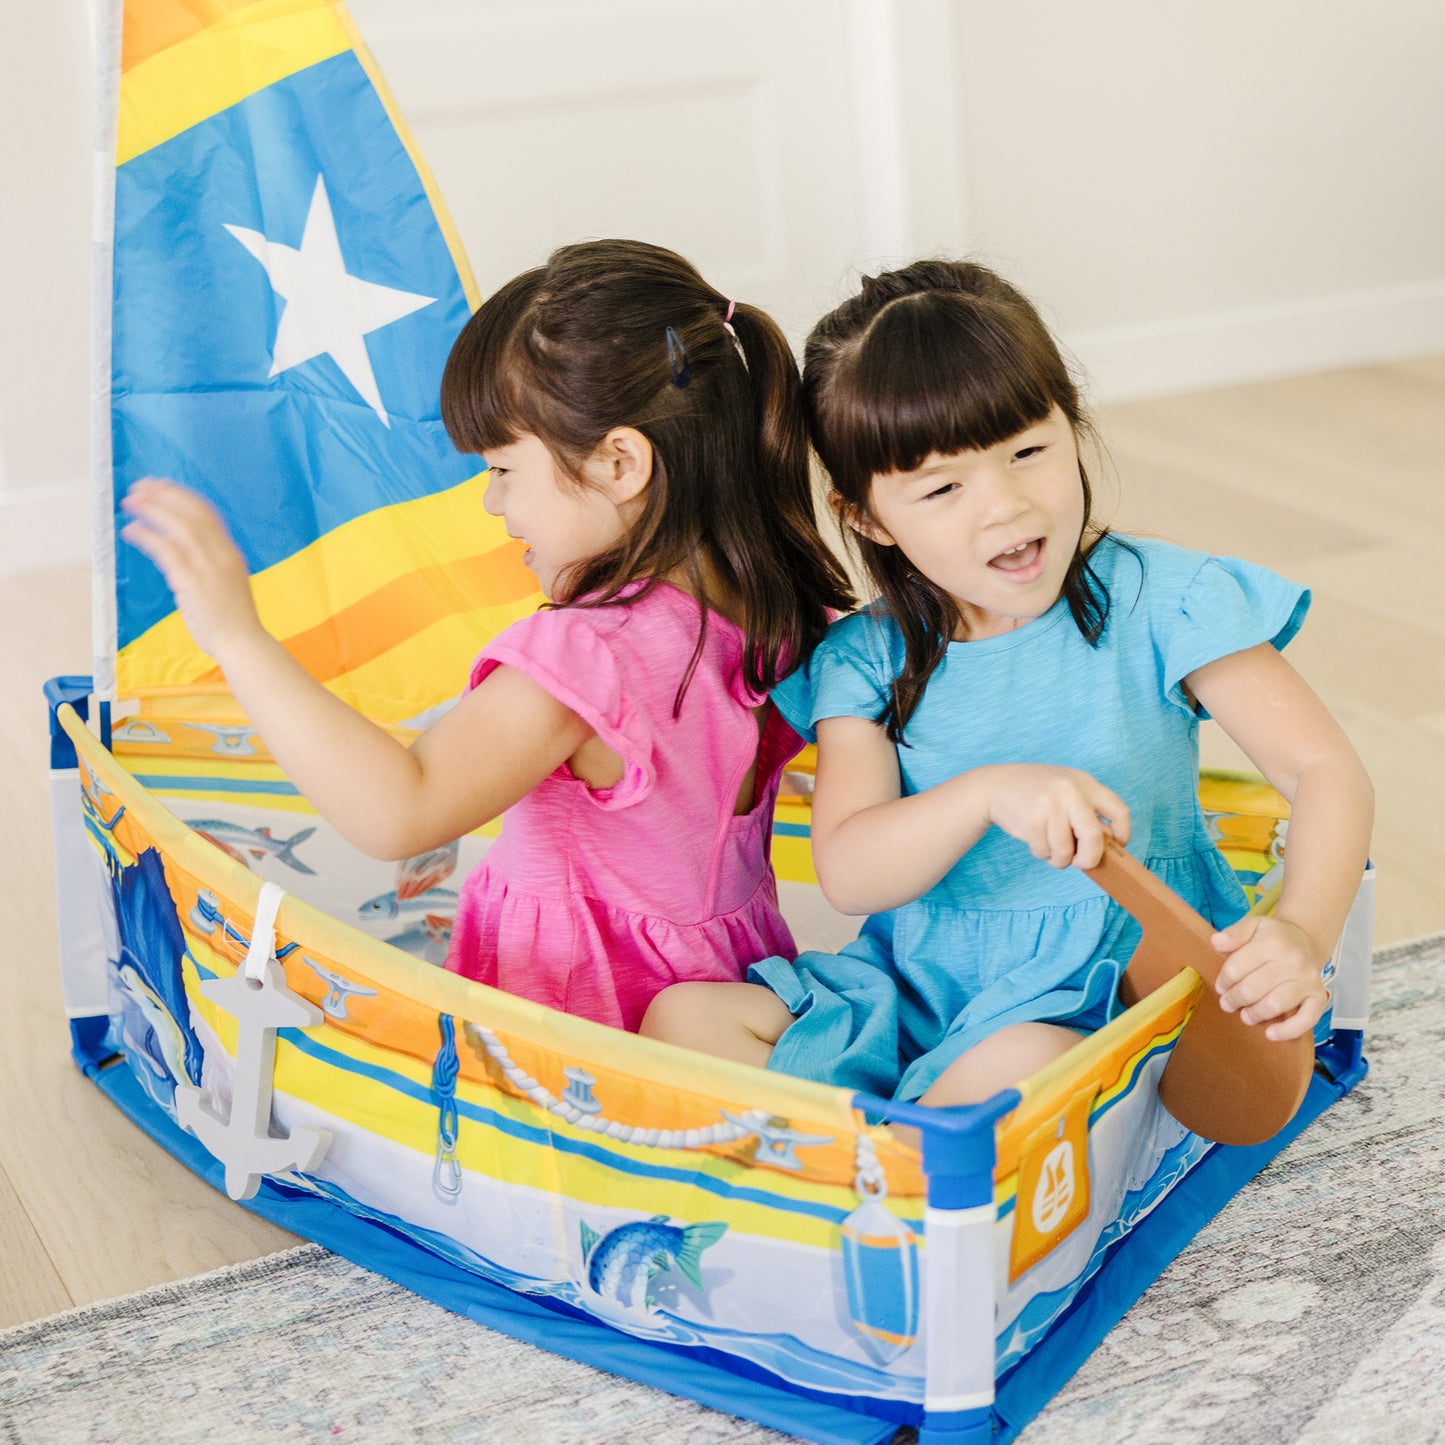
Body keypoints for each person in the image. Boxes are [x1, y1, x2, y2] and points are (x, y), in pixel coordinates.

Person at [640, 258, 1373, 1106]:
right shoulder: (864, 660)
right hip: (918, 986)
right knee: (685, 1018)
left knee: (1013, 1065)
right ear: (866, 515)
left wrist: (1297, 932)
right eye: (943, 487)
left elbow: (1322, 770)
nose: (1004, 505)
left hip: (1105, 987)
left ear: (1072, 421)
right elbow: (848, 870)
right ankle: (896, 1146)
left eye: (1027, 451)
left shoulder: (1162, 598)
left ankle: (881, 1156)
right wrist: (986, 793)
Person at [120, 238, 853, 1032]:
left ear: (620, 464)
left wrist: (238, 638)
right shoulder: (782, 614)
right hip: (721, 991)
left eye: (502, 469)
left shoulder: (587, 657)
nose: (491, 503)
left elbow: (399, 810)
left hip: (572, 1030)